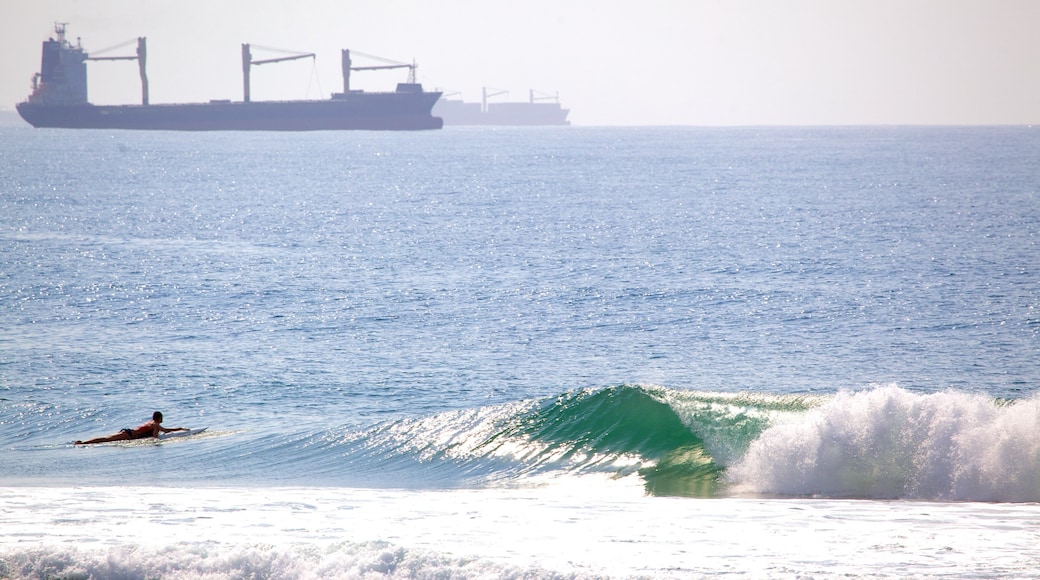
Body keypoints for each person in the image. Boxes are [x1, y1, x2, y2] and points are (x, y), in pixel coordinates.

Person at [74, 411, 187, 445]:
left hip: (128, 433)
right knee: (106, 439)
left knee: (106, 439)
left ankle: (84, 442)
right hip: (129, 434)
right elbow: (155, 437)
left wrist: (180, 429)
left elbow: (165, 430)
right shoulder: (155, 425)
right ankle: (83, 443)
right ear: (159, 418)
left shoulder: (153, 423)